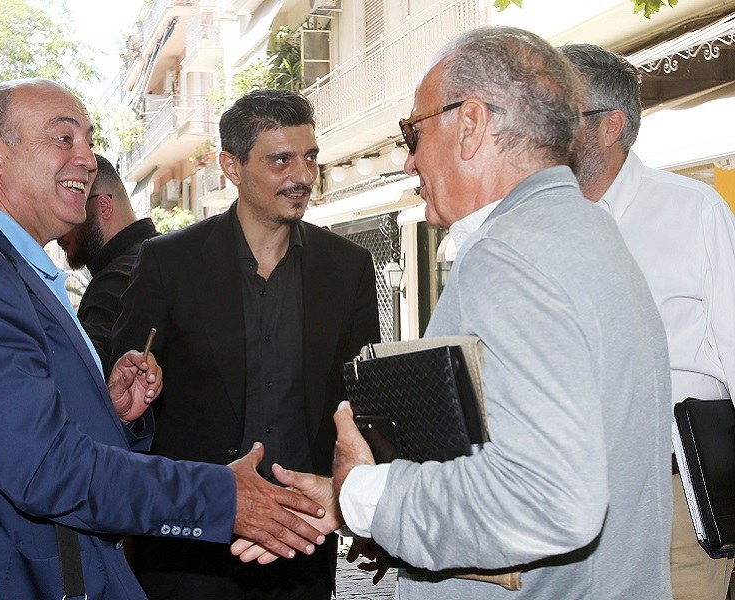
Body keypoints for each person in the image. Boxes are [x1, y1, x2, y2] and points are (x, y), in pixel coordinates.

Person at [0, 78, 330, 599]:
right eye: (64, 138)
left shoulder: (4, 269)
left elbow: (11, 436)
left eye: (89, 140)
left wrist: (108, 414)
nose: (86, 158)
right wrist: (222, 498)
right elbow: (43, 469)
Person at [253, 26, 673, 599]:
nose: (409, 162)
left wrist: (367, 495)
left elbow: (548, 499)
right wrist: (351, 500)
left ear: (471, 125)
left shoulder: (512, 255)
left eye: (413, 132)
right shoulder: (586, 232)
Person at [111, 89, 380, 600]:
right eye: (281, 160)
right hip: (190, 553)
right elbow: (121, 401)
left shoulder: (347, 268)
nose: (302, 176)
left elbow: (363, 402)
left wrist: (367, 505)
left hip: (302, 546)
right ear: (231, 167)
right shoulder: (168, 263)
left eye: (309, 157)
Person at [562, 42, 735, 600]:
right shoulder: (533, 221)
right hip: (561, 505)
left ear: (610, 125)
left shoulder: (693, 211)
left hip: (675, 500)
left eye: (560, 113)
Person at [57, 153, 159, 373]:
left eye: (71, 210)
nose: (59, 232)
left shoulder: (114, 283)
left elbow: (84, 375)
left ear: (103, 206)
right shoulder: (162, 258)